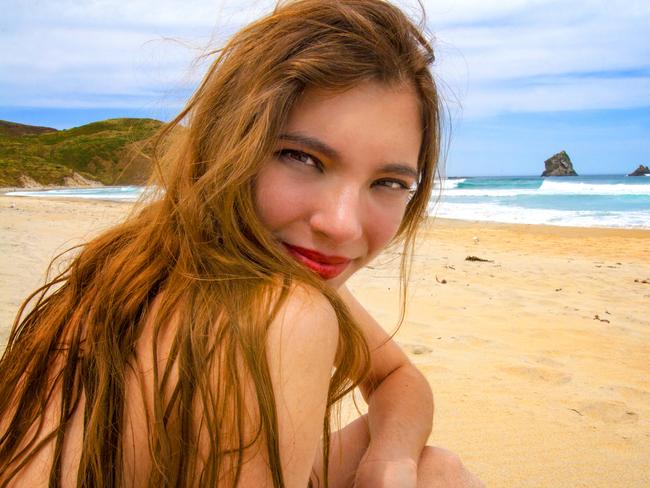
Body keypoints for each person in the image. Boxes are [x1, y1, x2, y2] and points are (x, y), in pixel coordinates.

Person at [0, 1, 484, 486]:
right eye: (301, 157)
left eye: (390, 182)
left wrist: (390, 460)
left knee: (434, 467)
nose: (340, 226)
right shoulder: (284, 313)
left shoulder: (158, 252)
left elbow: (400, 378)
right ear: (229, 142)